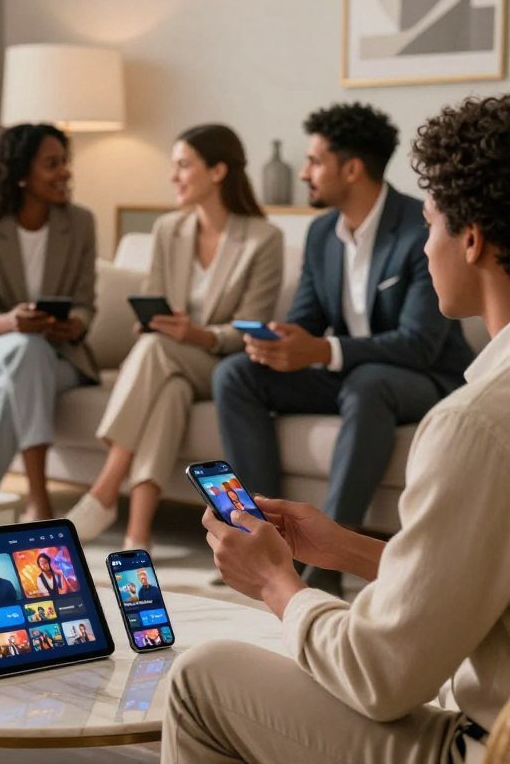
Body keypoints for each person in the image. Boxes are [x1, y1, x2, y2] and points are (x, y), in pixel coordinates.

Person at [161, 94, 510, 764]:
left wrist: (276, 585)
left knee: (198, 679)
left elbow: (380, 678)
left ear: (472, 241)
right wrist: (348, 549)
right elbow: (473, 582)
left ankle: (267, 560)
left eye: (436, 224)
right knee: (239, 374)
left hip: (486, 747)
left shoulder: (472, 426)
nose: (428, 240)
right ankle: (275, 541)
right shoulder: (323, 234)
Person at [212, 102, 474, 596]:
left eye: (314, 161)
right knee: (235, 374)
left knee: (367, 381)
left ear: (351, 169)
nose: (305, 173)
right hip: (348, 374)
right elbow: (307, 320)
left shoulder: (419, 228)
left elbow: (419, 342)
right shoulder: (320, 234)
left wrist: (321, 352)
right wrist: (281, 341)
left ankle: (327, 561)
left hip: (423, 377)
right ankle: (262, 536)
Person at [66, 124, 284, 548]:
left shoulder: (263, 239)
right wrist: (153, 321)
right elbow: (154, 298)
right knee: (170, 391)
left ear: (218, 171)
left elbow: (248, 330)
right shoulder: (168, 230)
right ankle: (137, 534)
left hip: (223, 365)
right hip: (171, 362)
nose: (174, 177)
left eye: (184, 165)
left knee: (155, 351)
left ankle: (104, 490)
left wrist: (198, 334)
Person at [0, 123, 99, 521]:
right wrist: (12, 322)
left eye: (65, 163)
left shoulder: (81, 223)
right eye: (52, 164)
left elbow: (87, 303)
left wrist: (76, 325)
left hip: (61, 354)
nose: (65, 172)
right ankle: (38, 496)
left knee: (14, 383)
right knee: (26, 351)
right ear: (20, 174)